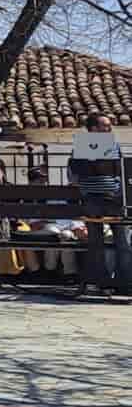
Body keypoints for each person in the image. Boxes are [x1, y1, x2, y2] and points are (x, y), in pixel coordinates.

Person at [70, 113, 131, 294]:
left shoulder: (115, 145)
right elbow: (73, 174)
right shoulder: (80, 147)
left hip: (114, 199)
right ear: (93, 128)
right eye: (105, 125)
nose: (109, 128)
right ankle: (100, 282)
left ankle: (125, 282)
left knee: (123, 242)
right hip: (92, 200)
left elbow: (122, 170)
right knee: (95, 243)